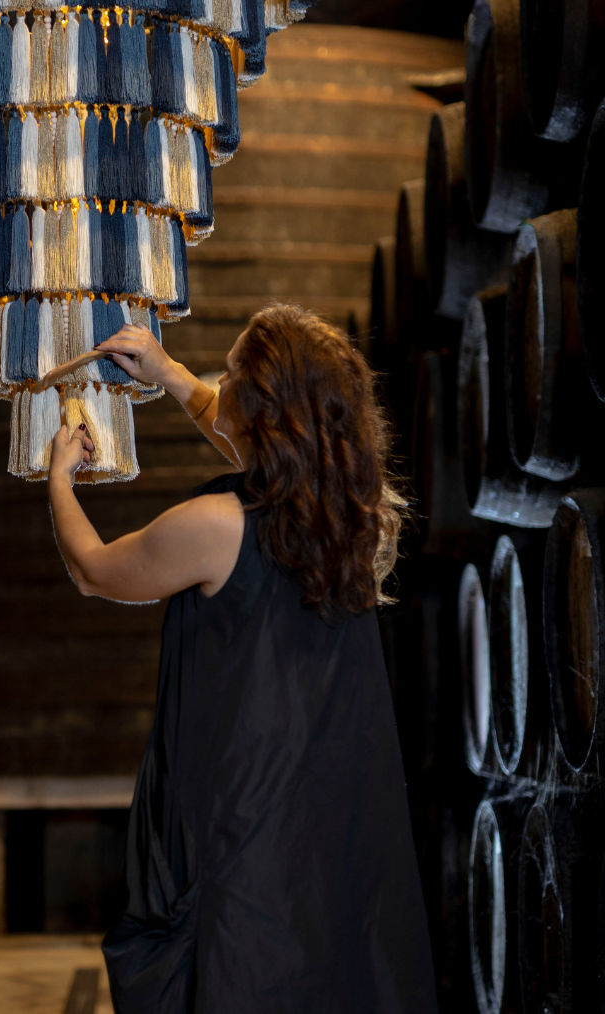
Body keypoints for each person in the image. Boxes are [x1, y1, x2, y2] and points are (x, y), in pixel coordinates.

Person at [48, 304, 438, 1014]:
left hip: (244, 823)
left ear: (265, 413)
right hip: (325, 824)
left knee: (240, 977)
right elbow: (259, 459)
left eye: (229, 375)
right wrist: (169, 375)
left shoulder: (213, 527)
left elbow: (92, 571)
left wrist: (59, 480)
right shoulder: (349, 519)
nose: (217, 384)